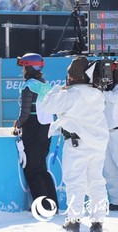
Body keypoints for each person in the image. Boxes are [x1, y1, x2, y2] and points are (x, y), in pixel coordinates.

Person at [42, 56, 109, 232]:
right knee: (96, 181)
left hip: (76, 143)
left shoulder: (68, 95)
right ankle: (98, 221)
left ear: (71, 76)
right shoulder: (97, 94)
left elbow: (47, 107)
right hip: (98, 144)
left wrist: (57, 89)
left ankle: (74, 220)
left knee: (75, 181)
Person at [13, 53, 59, 213]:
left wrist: (17, 124)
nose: (23, 69)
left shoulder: (28, 86)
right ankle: (53, 205)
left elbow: (25, 113)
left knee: (32, 170)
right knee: (42, 168)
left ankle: (43, 208)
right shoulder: (45, 85)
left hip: (32, 129)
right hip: (46, 129)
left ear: (28, 67)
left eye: (24, 66)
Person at [103, 61, 118, 212]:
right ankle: (115, 200)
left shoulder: (112, 91)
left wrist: (103, 90)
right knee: (109, 170)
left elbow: (114, 98)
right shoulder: (110, 88)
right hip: (106, 132)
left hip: (117, 131)